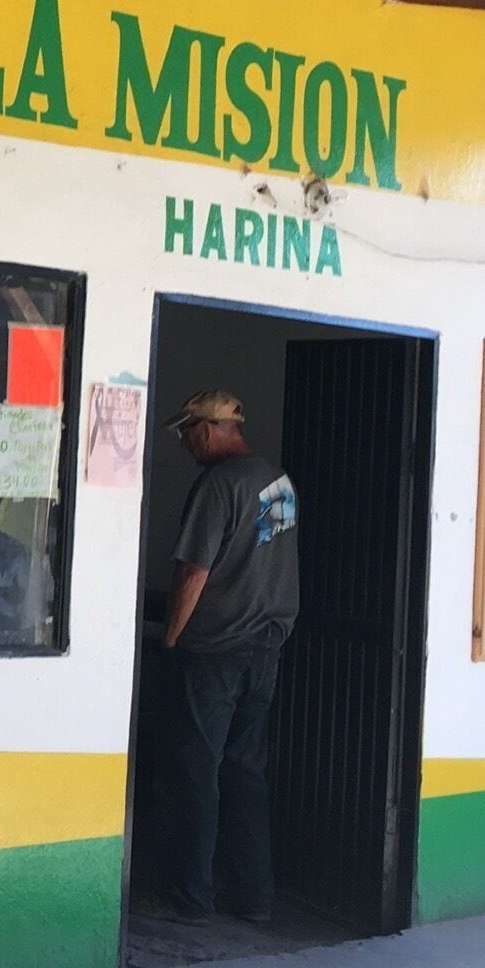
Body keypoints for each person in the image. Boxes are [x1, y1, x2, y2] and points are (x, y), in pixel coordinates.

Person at [150, 389, 300, 926]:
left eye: (189, 432)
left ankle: (190, 898)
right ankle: (254, 898)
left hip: (215, 651)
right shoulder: (277, 482)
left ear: (211, 429)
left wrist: (171, 637)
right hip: (266, 650)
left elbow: (194, 572)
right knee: (245, 771)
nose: (186, 442)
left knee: (196, 768)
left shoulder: (216, 485)